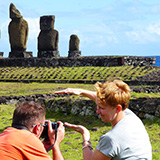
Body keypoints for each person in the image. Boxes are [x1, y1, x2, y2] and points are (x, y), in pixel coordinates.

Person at [55, 79, 152, 160]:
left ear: (117, 108)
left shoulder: (111, 139)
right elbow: (101, 99)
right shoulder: (131, 117)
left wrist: (85, 137)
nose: (97, 111)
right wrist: (81, 91)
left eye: (101, 108)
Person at [0, 101, 65, 160]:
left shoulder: (3, 135)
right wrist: (55, 144)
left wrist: (43, 148)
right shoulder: (28, 138)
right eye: (43, 126)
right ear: (38, 128)